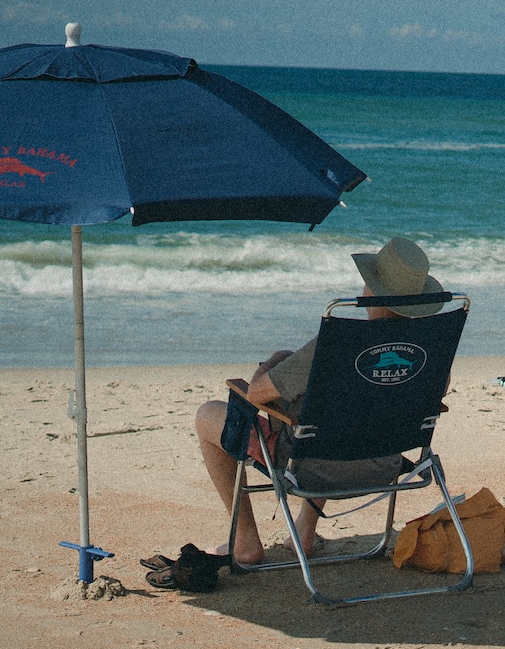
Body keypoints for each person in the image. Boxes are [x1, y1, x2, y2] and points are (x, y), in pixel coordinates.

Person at [190, 236, 444, 566]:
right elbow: (434, 392)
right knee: (343, 411)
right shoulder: (431, 352)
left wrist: (275, 361)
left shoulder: (335, 346)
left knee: (208, 414)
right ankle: (303, 535)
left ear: (369, 291)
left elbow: (256, 394)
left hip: (314, 467)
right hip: (385, 465)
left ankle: (245, 544)